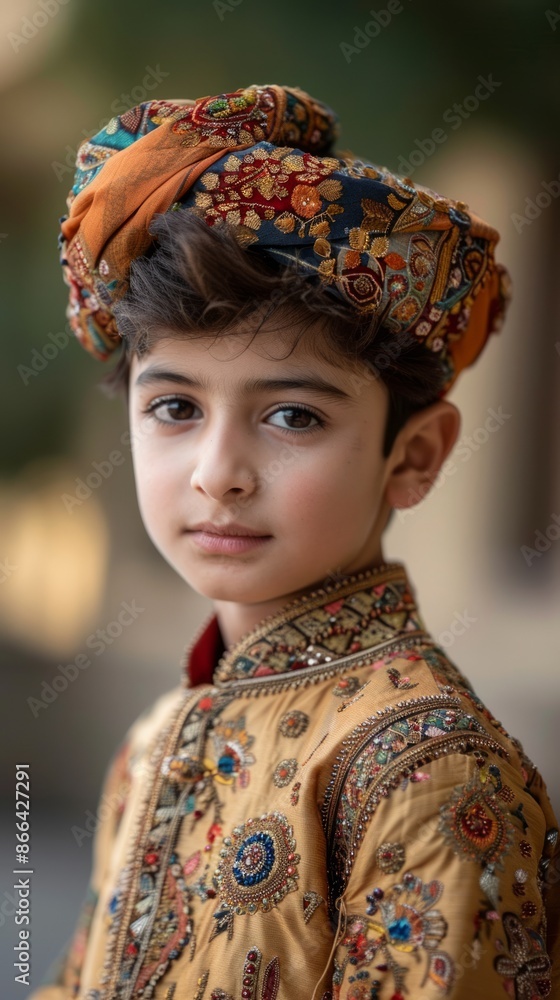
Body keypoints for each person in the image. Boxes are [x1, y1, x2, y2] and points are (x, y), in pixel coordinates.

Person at [29, 83, 559, 1000]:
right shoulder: (156, 744)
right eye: (174, 408)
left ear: (414, 454)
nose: (218, 471)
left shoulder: (429, 777)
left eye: (291, 415)